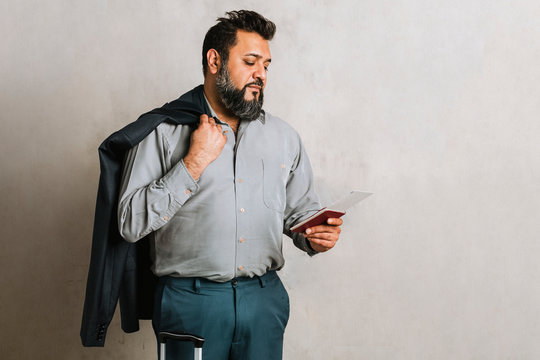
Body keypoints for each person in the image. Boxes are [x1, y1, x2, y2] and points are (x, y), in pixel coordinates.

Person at [116, 10, 342, 359]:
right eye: (250, 61)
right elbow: (130, 223)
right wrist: (193, 163)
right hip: (189, 304)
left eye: (266, 65)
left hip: (264, 303)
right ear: (214, 61)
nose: (261, 75)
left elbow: (300, 215)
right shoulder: (163, 131)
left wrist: (315, 235)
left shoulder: (284, 138)